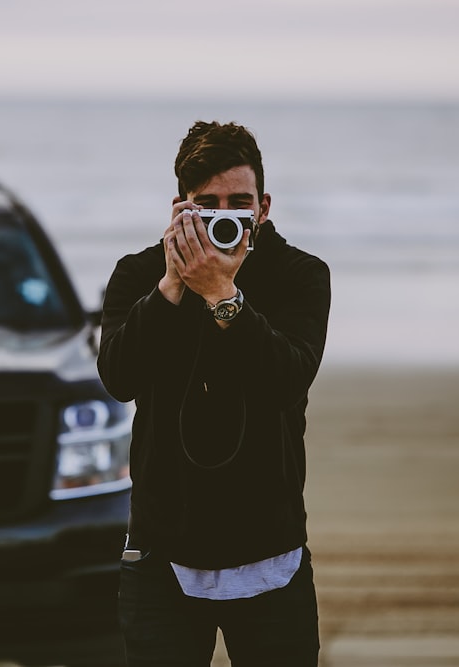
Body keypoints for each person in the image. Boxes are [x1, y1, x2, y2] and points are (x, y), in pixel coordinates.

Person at [97, 120, 331, 666]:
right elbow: (118, 377)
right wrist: (175, 285)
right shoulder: (139, 276)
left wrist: (224, 295)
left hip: (271, 551)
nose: (225, 218)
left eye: (238, 203)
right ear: (181, 207)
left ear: (264, 207)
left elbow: (288, 379)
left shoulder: (301, 276)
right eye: (208, 205)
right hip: (163, 553)